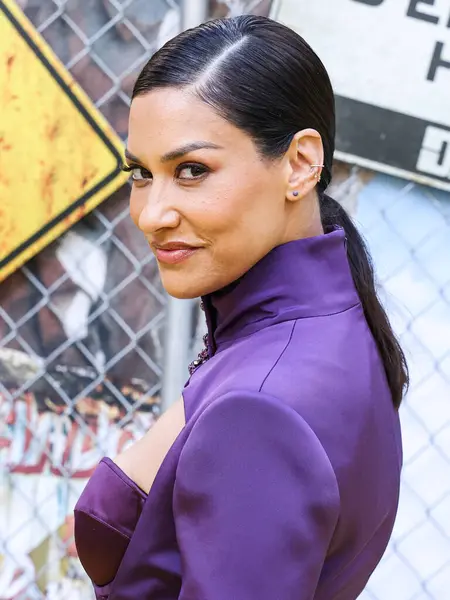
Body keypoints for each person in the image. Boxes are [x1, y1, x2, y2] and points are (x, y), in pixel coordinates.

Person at [74, 15, 408, 600]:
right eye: (140, 174)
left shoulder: (261, 410)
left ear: (301, 163)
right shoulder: (332, 326)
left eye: (192, 171)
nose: (151, 214)